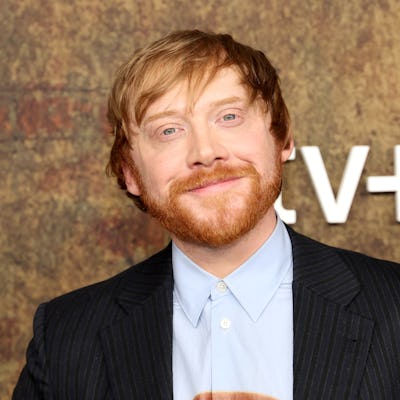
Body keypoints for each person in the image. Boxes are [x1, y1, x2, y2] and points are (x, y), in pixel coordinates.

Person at [13, 30, 400, 400]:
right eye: (169, 130)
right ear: (130, 172)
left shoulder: (394, 306)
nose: (205, 151)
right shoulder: (63, 339)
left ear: (282, 136)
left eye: (229, 117)